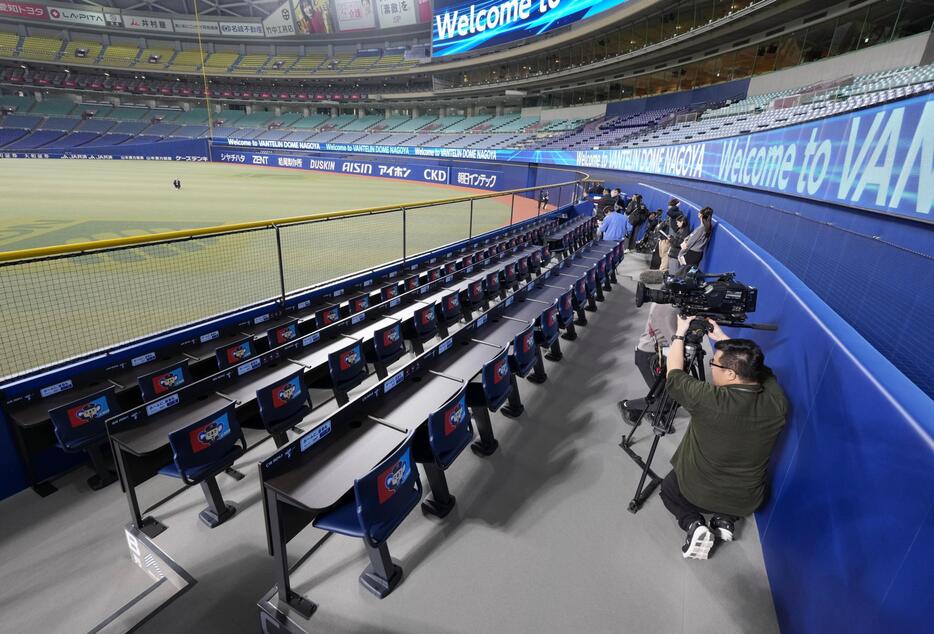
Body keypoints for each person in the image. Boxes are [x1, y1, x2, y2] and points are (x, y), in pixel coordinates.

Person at [661, 316, 788, 560]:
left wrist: (680, 332)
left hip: (697, 495)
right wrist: (723, 340)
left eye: (713, 364)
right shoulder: (777, 402)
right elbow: (764, 372)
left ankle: (693, 524)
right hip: (747, 501)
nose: (711, 367)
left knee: (668, 489)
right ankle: (725, 519)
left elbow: (674, 375)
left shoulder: (709, 400)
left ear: (730, 374)